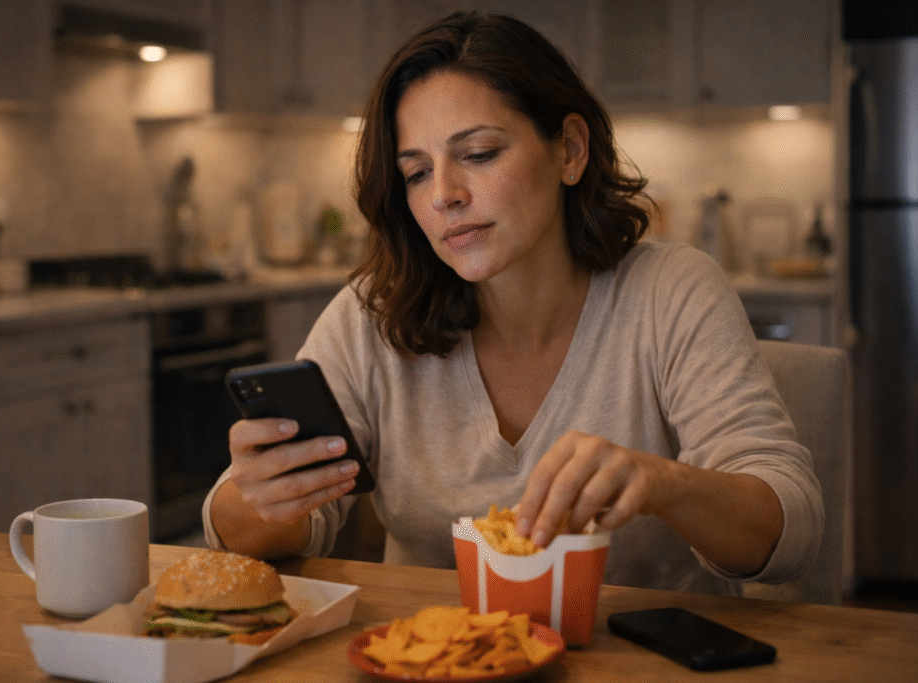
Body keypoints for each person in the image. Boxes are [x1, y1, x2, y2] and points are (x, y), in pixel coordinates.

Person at [203, 10, 823, 595]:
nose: (444, 194)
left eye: (478, 155)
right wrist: (261, 498)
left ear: (570, 150)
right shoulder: (373, 314)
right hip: (430, 657)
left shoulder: (670, 292)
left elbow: (790, 532)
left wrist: (665, 484)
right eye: (417, 172)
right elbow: (256, 529)